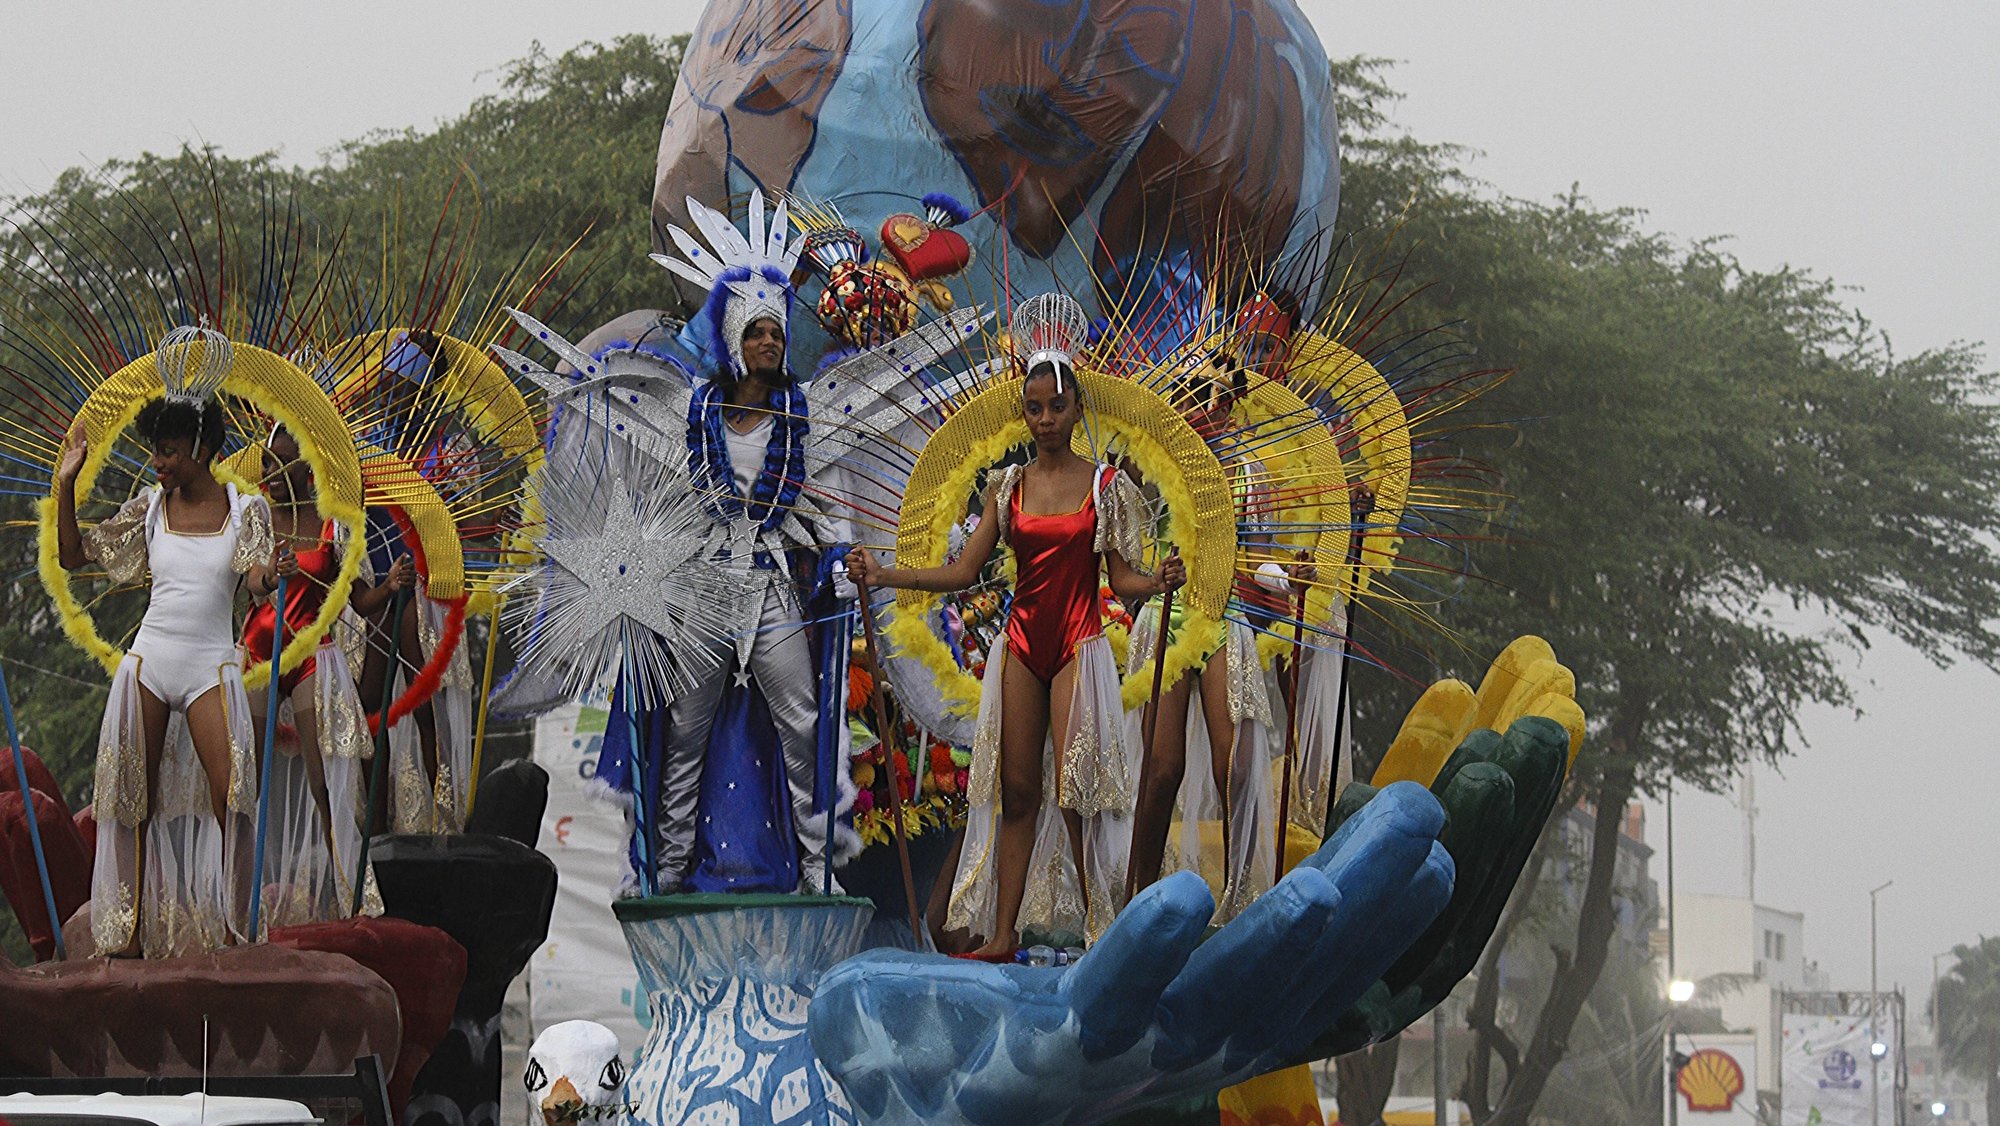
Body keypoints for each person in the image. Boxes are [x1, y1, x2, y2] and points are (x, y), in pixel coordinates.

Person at [850, 297, 1185, 958]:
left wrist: (1158, 583)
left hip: (1078, 644)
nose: (1045, 419)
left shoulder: (1106, 485)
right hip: (1023, 645)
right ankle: (1002, 933)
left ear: (1077, 410)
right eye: (1033, 408)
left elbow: (1120, 582)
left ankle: (1103, 930)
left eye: (1056, 408)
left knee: (1077, 791)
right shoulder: (1006, 487)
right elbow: (961, 574)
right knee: (1017, 789)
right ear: (1023, 411)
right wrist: (884, 577)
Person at [55, 364, 277, 957]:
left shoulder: (247, 508)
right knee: (132, 802)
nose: (159, 463)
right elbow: (74, 556)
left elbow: (256, 577)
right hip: (150, 663)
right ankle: (125, 938)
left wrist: (263, 580)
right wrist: (66, 486)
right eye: (156, 452)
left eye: (170, 452)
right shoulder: (149, 508)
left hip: (210, 666)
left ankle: (237, 930)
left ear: (203, 449)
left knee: (234, 798)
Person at [242, 424, 414, 921]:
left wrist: (389, 586)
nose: (269, 472)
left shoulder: (330, 523)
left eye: (280, 462)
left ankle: (347, 896)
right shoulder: (255, 516)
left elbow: (357, 600)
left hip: (312, 652)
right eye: (266, 463)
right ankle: (238, 901)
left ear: (305, 465)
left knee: (325, 784)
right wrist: (272, 574)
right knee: (241, 781)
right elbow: (248, 579)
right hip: (256, 656)